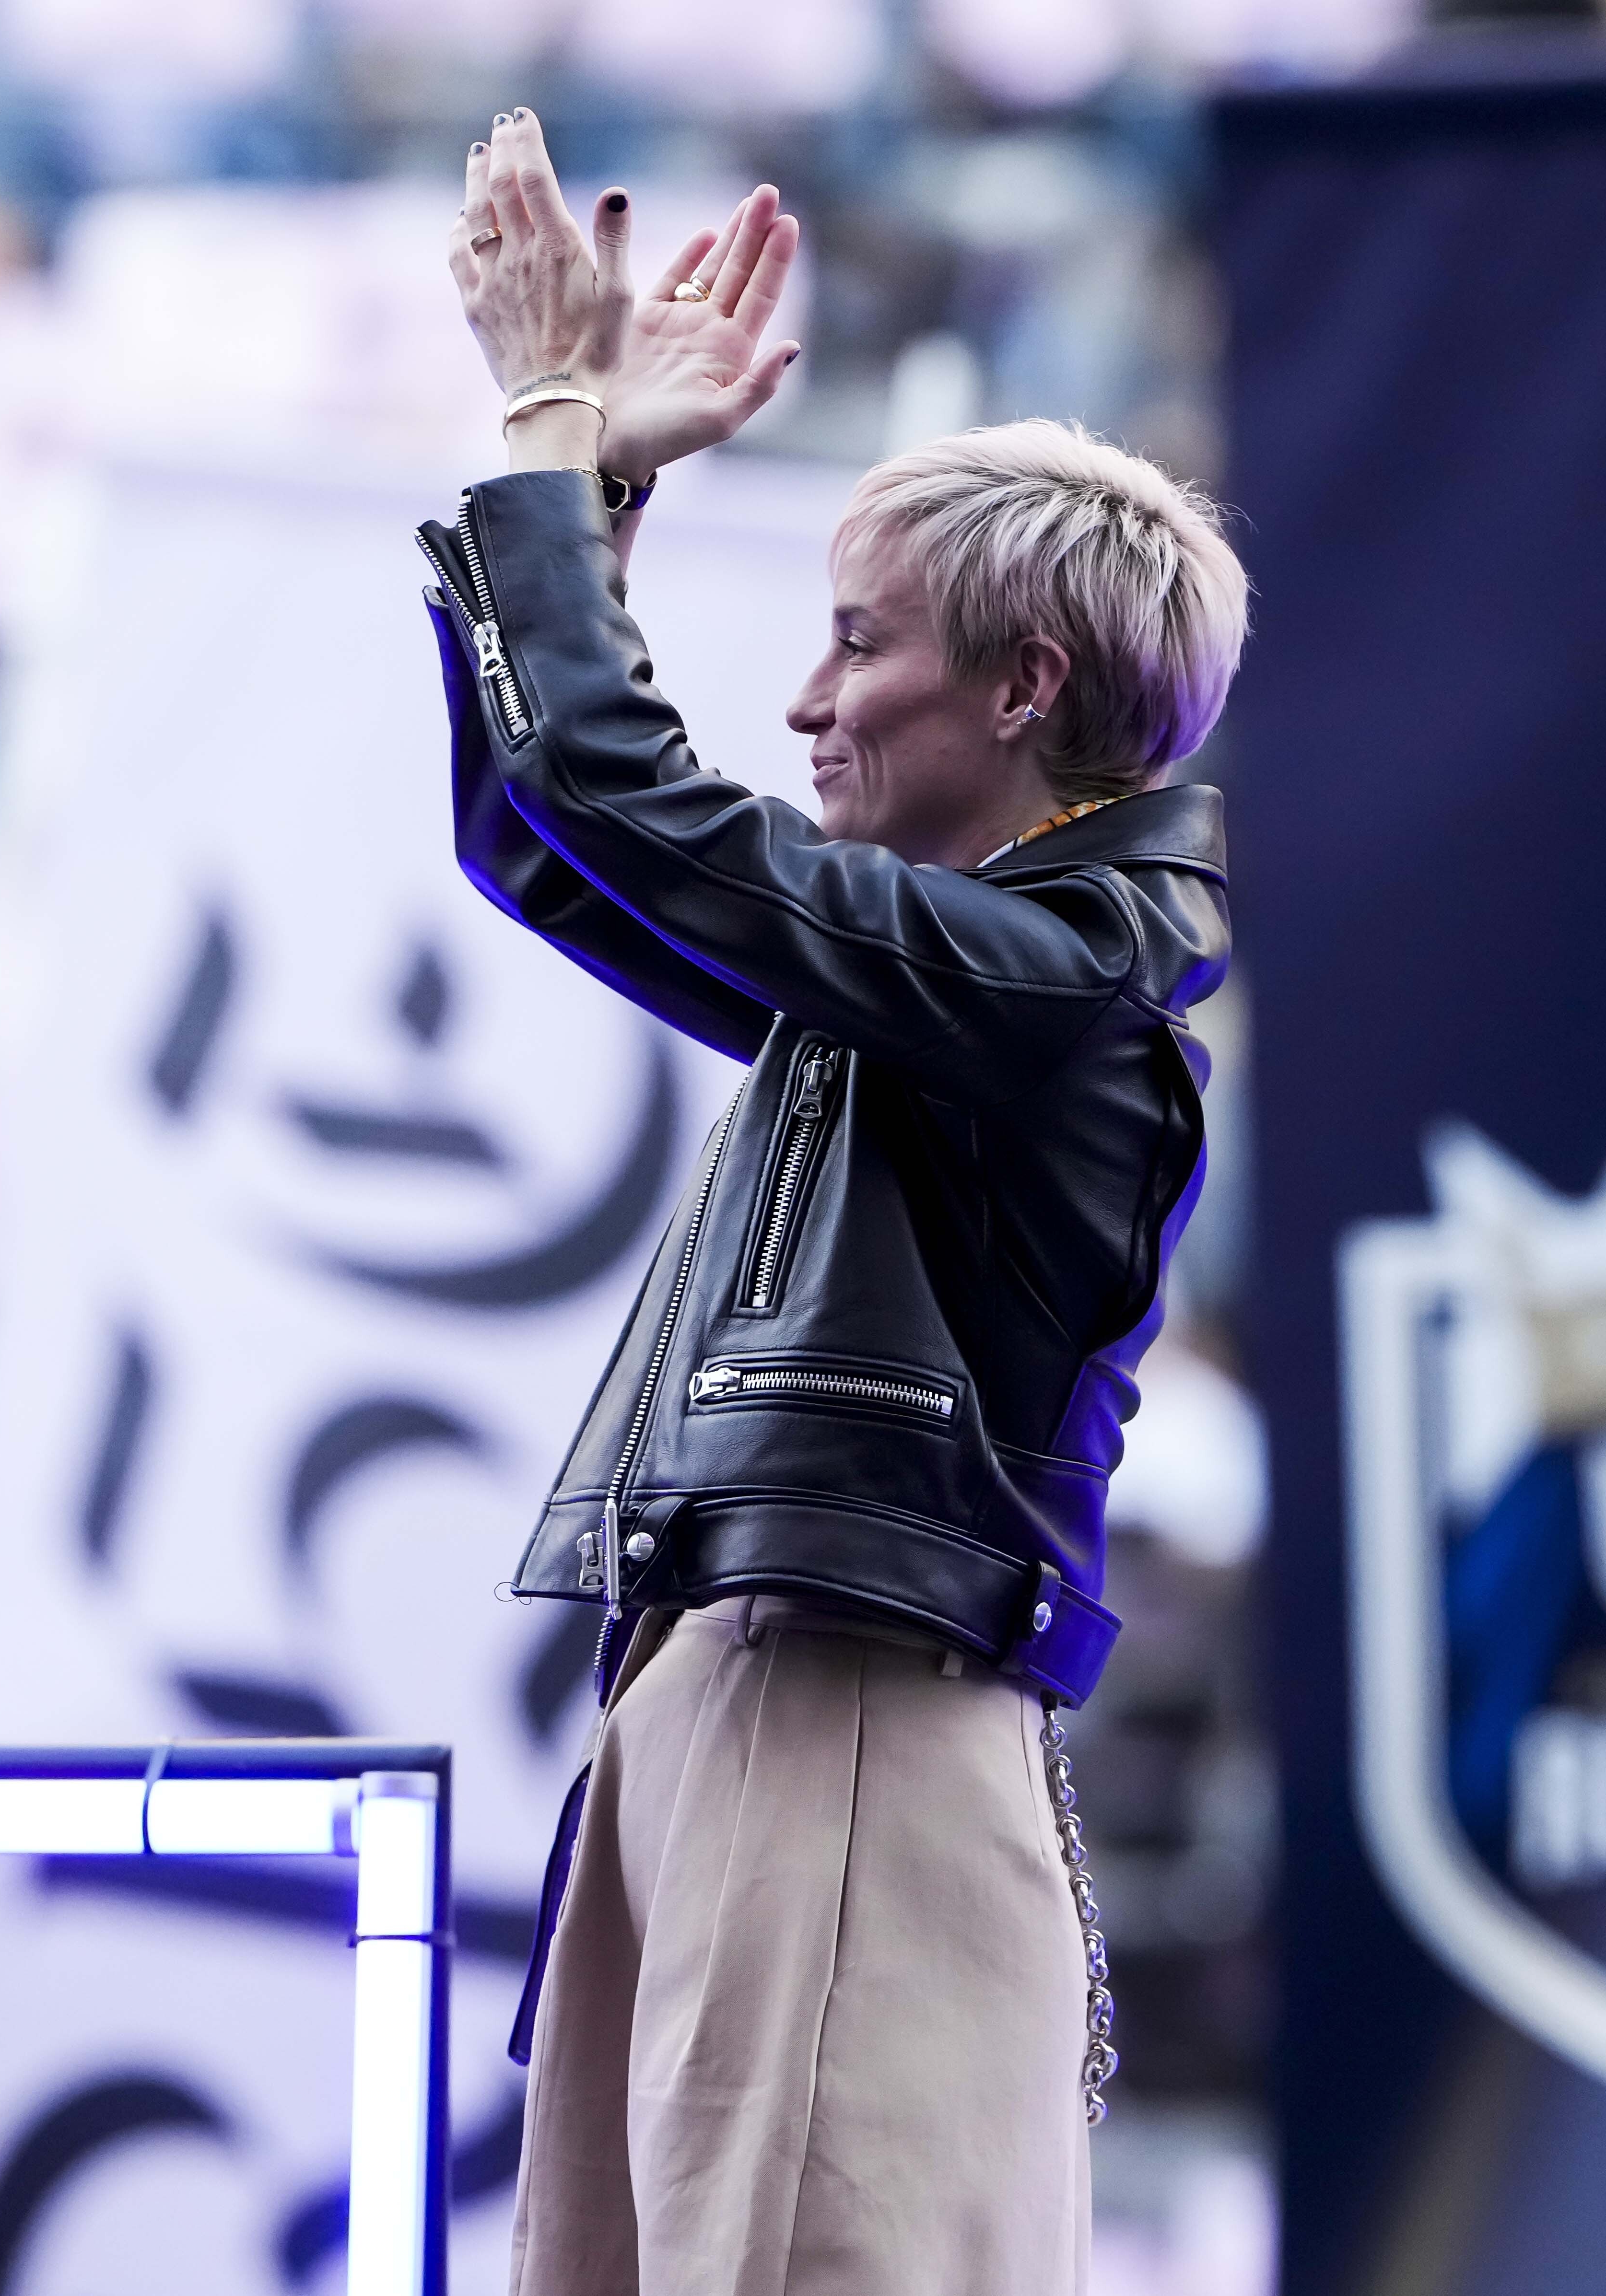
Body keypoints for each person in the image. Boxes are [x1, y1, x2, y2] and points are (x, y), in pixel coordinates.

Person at [432, 109, 1247, 2294]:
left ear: (1024, 688)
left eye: (854, 641)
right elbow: (547, 824)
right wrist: (593, 488)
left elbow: (622, 792)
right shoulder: (943, 979)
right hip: (747, 1689)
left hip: (848, 1708)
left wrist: (548, 421)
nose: (803, 695)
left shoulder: (1051, 986)